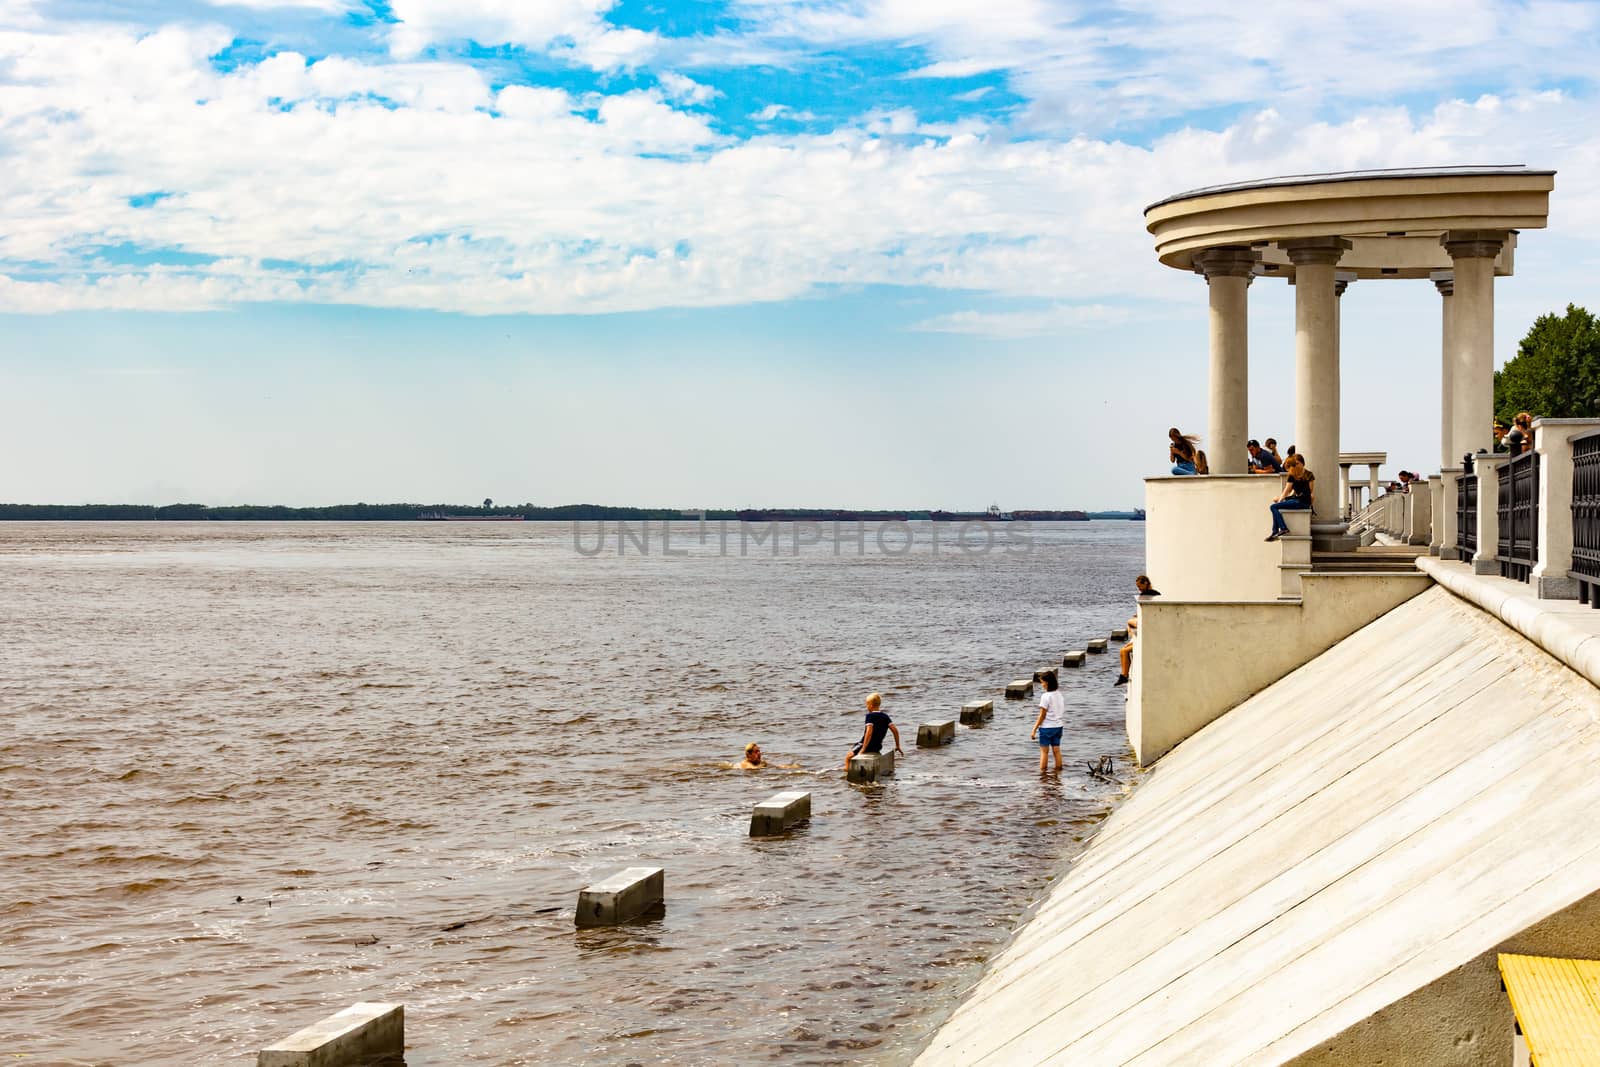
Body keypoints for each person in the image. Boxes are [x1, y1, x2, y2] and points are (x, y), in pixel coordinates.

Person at [1114, 575, 1161, 686]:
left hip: (1147, 629)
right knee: (1122, 650)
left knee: (1129, 623)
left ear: (1145, 583)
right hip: (1145, 628)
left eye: (1139, 586)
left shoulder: (1147, 595)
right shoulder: (1152, 593)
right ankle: (1123, 675)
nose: (1139, 589)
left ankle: (1124, 676)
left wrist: (1133, 621)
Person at [842, 692, 902, 770]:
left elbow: (869, 732)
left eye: (866, 705)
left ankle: (846, 772)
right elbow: (895, 730)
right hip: (877, 747)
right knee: (854, 747)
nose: (866, 707)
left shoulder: (870, 716)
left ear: (870, 705)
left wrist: (863, 749)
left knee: (848, 757)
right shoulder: (885, 716)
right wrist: (897, 746)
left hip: (867, 746)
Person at [1266, 455, 1314, 542]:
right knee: (1277, 506)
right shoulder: (1302, 475)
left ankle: (1282, 528)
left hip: (1300, 502)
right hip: (1303, 502)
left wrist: (1279, 502)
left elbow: (1286, 491)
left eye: (1287, 468)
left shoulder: (1292, 476)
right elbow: (1306, 491)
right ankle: (1274, 532)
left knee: (1273, 507)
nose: (1287, 470)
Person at [1030, 670, 1065, 772]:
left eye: (1042, 682)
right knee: (1057, 751)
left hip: (1047, 728)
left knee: (1044, 752)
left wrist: (1034, 729)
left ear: (1047, 682)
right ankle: (1058, 774)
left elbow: (1042, 715)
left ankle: (1043, 775)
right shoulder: (1059, 694)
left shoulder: (1045, 696)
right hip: (1058, 726)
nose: (1042, 685)